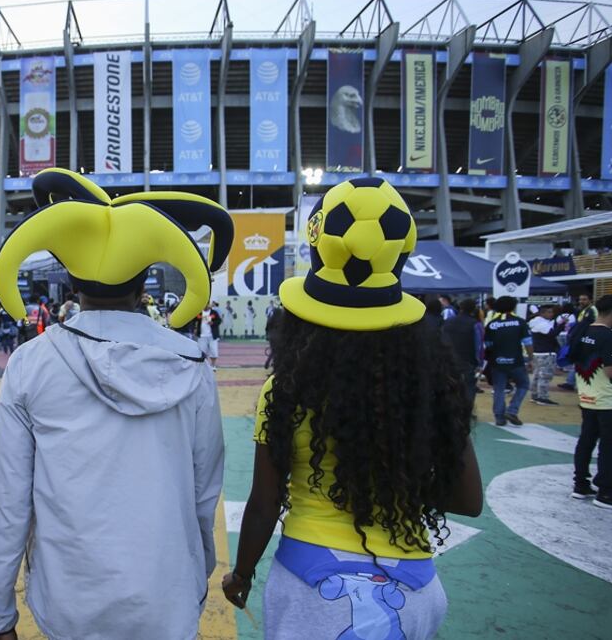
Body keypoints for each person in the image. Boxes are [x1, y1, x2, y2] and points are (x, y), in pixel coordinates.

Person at [0, 167, 234, 639]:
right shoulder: (192, 364)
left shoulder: (31, 363)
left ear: (73, 287)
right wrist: (193, 573)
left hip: (69, 600)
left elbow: (7, 501)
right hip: (166, 594)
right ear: (144, 288)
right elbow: (204, 490)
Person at [222, 177, 482, 639]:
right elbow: (467, 500)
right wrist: (392, 480)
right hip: (417, 590)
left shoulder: (285, 389)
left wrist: (241, 574)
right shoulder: (434, 384)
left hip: (312, 590)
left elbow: (265, 503)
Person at [571, 294, 612, 510]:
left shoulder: (583, 331)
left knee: (586, 441)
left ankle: (581, 483)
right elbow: (611, 369)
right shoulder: (609, 337)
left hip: (587, 396)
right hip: (609, 399)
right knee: (609, 447)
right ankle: (606, 491)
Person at [484, 295, 533, 426]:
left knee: (499, 388)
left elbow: (487, 344)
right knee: (523, 384)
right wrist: (531, 359)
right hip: (516, 361)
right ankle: (512, 410)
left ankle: (499, 417)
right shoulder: (520, 322)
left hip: (497, 361)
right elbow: (528, 342)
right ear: (513, 306)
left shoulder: (492, 324)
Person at [443, 298, 483, 413]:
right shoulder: (475, 324)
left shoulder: (448, 321)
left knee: (450, 384)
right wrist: (479, 362)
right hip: (468, 359)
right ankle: (467, 410)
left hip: (449, 358)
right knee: (469, 385)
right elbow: (478, 345)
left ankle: (450, 408)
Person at [562, 294, 599, 391]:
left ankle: (576, 383)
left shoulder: (592, 310)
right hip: (580, 339)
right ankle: (571, 382)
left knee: (583, 362)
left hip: (587, 340)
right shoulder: (582, 310)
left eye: (584, 299)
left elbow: (592, 324)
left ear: (590, 300)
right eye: (580, 299)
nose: (581, 301)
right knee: (578, 361)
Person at [529, 303, 562, 406]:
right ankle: (542, 397)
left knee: (537, 375)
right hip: (546, 352)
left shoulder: (536, 322)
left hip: (538, 352)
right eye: (549, 312)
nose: (551, 314)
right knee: (545, 376)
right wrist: (562, 325)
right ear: (542, 313)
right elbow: (551, 334)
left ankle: (535, 395)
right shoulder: (542, 323)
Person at [197, 301, 222, 370]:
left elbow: (219, 321)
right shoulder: (199, 313)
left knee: (213, 351)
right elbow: (195, 321)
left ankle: (213, 365)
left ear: (209, 305)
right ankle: (204, 366)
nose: (205, 306)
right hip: (202, 336)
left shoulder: (214, 312)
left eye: (206, 304)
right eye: (204, 304)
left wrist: (213, 323)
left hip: (212, 335)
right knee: (202, 352)